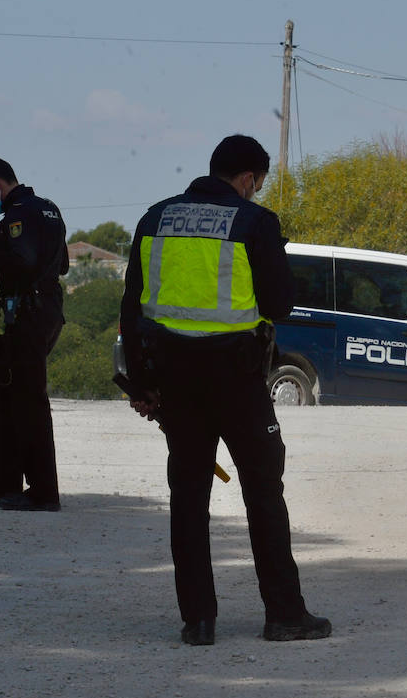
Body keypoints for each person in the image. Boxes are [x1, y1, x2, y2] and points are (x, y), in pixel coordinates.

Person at [119, 134, 330, 646]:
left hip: (174, 382)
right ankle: (283, 614)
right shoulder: (253, 222)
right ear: (249, 179)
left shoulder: (155, 219)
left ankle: (198, 621)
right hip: (236, 380)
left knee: (188, 500)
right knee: (263, 494)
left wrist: (144, 384)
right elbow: (279, 303)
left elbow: (131, 309)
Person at [0, 156, 69, 512]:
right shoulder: (49, 209)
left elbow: (23, 261)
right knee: (5, 394)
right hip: (45, 309)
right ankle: (5, 481)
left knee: (29, 399)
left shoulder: (18, 214)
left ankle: (43, 492)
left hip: (30, 310)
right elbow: (65, 264)